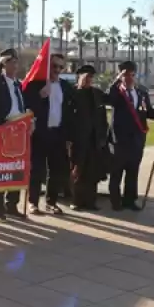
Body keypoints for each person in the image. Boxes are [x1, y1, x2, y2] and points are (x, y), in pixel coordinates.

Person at [107, 60, 154, 211]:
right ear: (121, 76)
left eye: (132, 75)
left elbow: (149, 113)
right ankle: (115, 201)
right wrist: (116, 81)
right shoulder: (117, 92)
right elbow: (108, 99)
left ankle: (129, 200)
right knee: (117, 173)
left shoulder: (141, 92)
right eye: (125, 75)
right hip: (119, 141)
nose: (129, 78)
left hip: (137, 140)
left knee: (132, 172)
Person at [23, 53, 75, 215]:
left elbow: (69, 112)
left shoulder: (66, 87)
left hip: (58, 133)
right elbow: (27, 105)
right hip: (39, 133)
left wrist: (69, 137)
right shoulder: (36, 85)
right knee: (36, 170)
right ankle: (33, 202)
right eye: (54, 66)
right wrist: (40, 95)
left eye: (61, 67)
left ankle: (51, 202)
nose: (57, 70)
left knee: (56, 170)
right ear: (47, 67)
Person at [0, 49, 27, 221]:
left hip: (17, 132)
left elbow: (20, 104)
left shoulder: (17, 83)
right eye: (11, 62)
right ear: (4, 64)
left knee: (15, 171)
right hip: (2, 129)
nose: (15, 65)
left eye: (16, 62)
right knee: (1, 171)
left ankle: (12, 205)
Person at [68, 65, 109, 211]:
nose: (88, 80)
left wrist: (103, 135)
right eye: (85, 77)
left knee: (93, 172)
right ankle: (77, 201)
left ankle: (91, 201)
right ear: (79, 77)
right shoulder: (72, 93)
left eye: (91, 77)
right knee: (78, 170)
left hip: (95, 139)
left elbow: (103, 115)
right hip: (78, 139)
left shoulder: (97, 93)